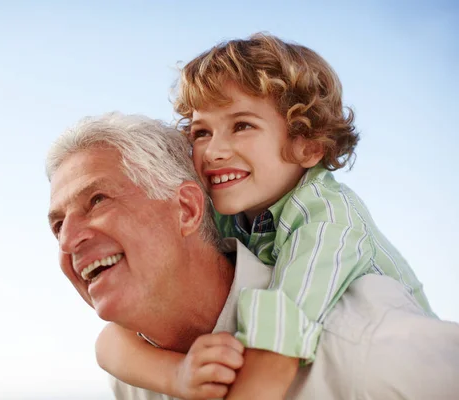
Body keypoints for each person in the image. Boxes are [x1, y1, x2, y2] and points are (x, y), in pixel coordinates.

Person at [94, 33, 436, 398]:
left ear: (308, 145)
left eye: (242, 125)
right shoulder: (224, 211)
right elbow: (111, 341)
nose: (213, 151)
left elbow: (276, 346)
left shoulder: (328, 218)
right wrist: (177, 376)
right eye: (201, 132)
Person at [46, 112, 459, 399]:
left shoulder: (363, 344)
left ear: (188, 210)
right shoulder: (136, 380)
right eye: (57, 225)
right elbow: (109, 346)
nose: (67, 241)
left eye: (98, 200)